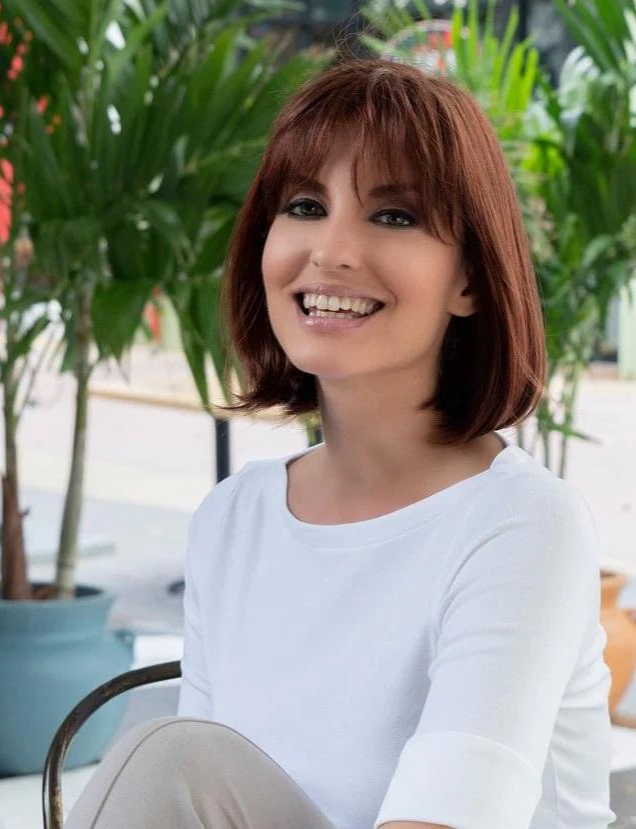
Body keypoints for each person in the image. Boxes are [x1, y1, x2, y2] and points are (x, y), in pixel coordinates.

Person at [66, 59, 615, 829]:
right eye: (304, 206)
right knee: (170, 759)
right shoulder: (233, 518)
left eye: (392, 215)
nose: (330, 250)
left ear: (468, 279)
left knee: (169, 758)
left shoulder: (521, 522)